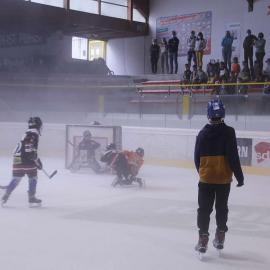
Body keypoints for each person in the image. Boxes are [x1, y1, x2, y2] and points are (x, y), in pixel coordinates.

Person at [194, 99, 244, 254]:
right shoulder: (229, 132)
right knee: (222, 208)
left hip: (206, 179)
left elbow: (196, 158)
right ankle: (220, 235)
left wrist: (203, 172)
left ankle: (203, 239)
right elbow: (233, 157)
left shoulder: (202, 133)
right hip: (223, 179)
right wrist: (239, 176)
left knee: (204, 209)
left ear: (208, 114)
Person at [1, 117, 43, 206]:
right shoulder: (34, 133)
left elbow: (26, 146)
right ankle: (31, 197)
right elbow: (29, 147)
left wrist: (36, 158)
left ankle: (6, 195)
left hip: (17, 158)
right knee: (33, 177)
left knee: (16, 178)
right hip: (26, 158)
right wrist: (37, 161)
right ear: (38, 125)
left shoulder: (27, 132)